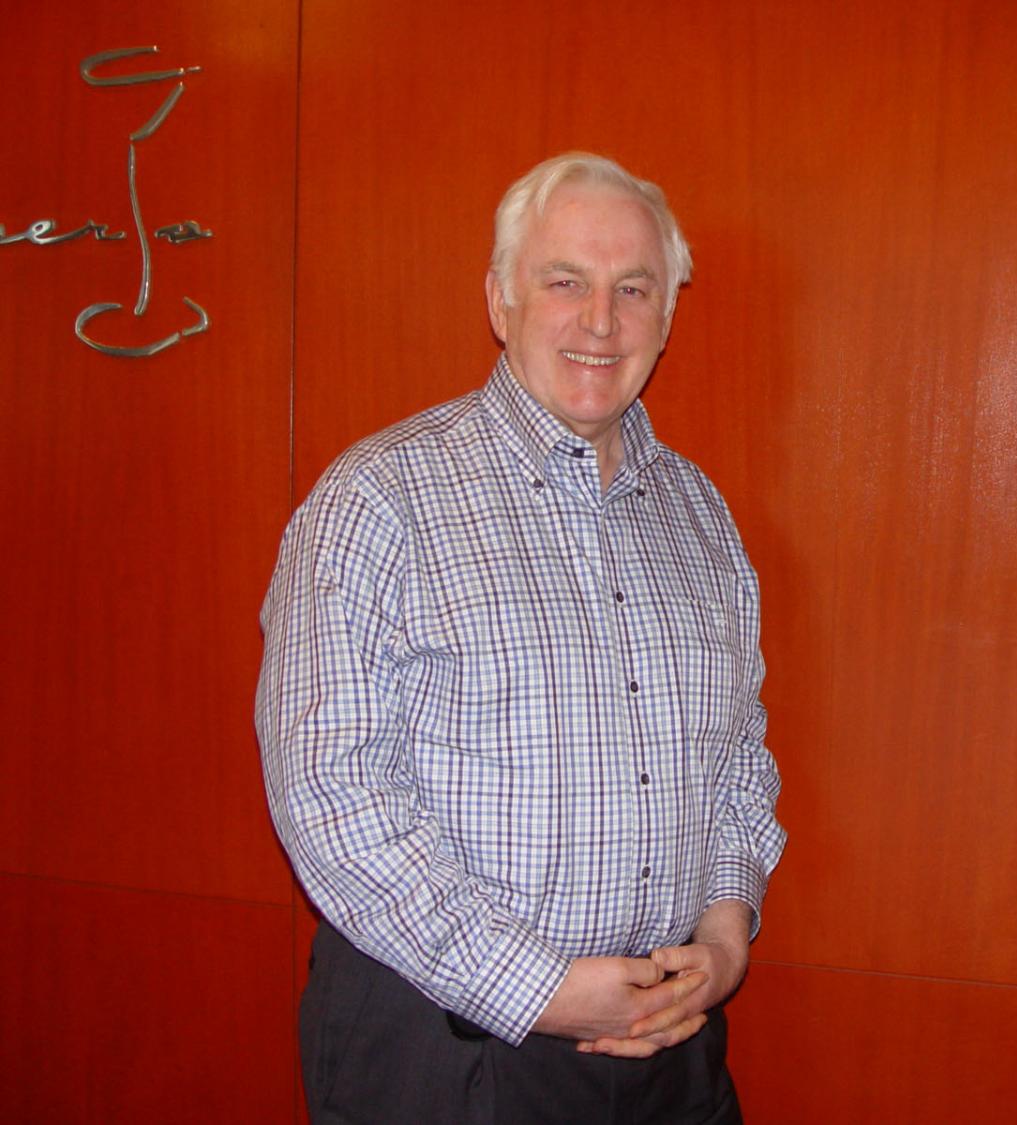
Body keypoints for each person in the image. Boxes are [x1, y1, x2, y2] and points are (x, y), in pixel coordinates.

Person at [256, 152, 786, 1124]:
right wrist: (534, 987)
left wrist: (723, 933)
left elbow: (739, 755)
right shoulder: (379, 501)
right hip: (448, 1059)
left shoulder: (699, 514)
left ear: (667, 314)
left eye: (633, 288)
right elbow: (329, 794)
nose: (600, 321)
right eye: (564, 282)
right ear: (501, 299)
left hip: (674, 1051)